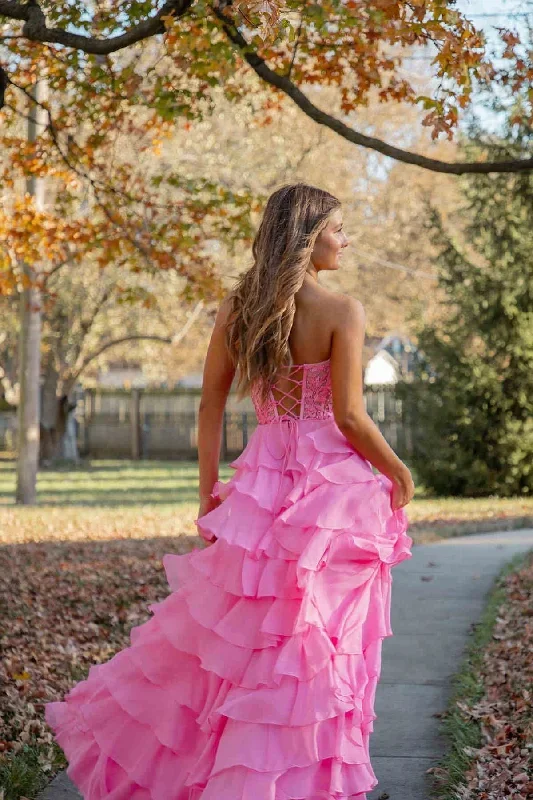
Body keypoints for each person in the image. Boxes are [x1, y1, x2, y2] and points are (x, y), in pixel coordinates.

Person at [45, 182, 414, 800]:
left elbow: (211, 403)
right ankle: (299, 777)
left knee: (246, 640)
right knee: (315, 640)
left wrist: (207, 491)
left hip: (262, 483)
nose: (346, 240)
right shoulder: (343, 311)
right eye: (338, 229)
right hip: (332, 492)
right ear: (307, 236)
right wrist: (399, 472)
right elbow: (349, 417)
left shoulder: (238, 309)